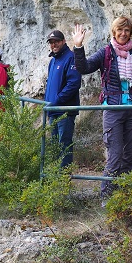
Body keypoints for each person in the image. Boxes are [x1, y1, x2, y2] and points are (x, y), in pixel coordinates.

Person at [72, 18, 132, 200]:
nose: (123, 33)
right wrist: (78, 46)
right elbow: (84, 67)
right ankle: (107, 198)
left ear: (130, 32)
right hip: (113, 108)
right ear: (114, 32)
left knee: (129, 156)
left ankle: (126, 197)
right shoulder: (106, 52)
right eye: (120, 30)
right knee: (114, 155)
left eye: (127, 30)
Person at [44, 30, 81, 167]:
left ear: (63, 41)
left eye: (57, 41)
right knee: (54, 145)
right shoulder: (53, 61)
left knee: (64, 144)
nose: (54, 45)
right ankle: (55, 174)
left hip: (65, 110)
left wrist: (57, 100)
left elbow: (73, 84)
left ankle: (63, 175)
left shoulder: (71, 58)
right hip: (53, 110)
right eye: (51, 42)